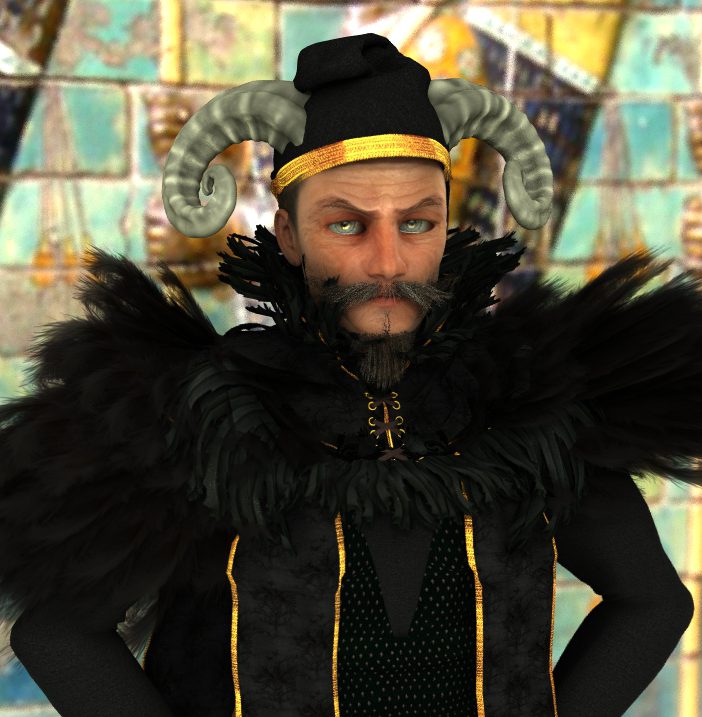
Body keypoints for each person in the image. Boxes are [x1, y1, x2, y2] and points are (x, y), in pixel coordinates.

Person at [2, 32, 700, 717]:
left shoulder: (525, 406)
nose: (389, 261)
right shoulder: (211, 415)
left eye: (417, 223)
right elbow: (58, 632)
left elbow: (654, 601)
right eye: (347, 225)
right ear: (288, 234)